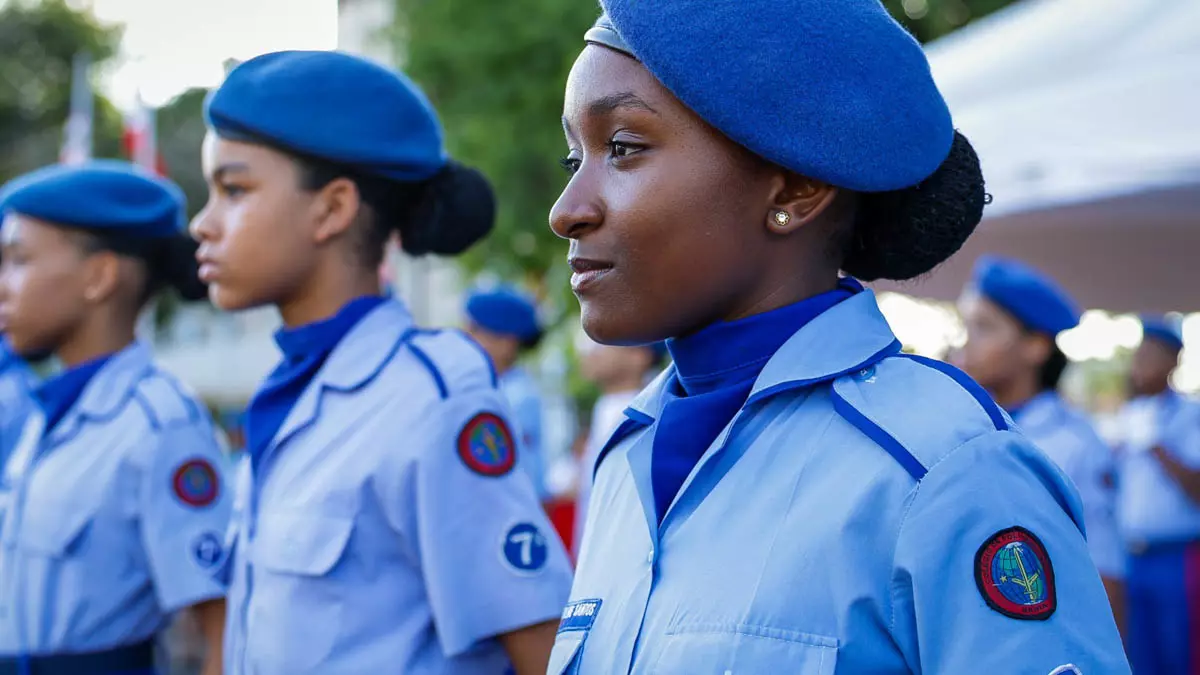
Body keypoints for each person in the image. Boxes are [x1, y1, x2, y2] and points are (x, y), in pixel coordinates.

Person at [546, 3, 1130, 673]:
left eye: (622, 147)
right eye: (575, 156)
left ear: (797, 184)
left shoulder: (943, 469)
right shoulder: (627, 453)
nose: (567, 210)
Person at [190, 50, 573, 675]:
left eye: (234, 189)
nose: (202, 224)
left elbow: (542, 650)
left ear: (333, 209)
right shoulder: (293, 390)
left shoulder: (429, 400)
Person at [0, 161, 228, 675]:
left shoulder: (159, 423)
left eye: (18, 261)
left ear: (99, 276)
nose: (3, 287)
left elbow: (220, 625)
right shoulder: (47, 416)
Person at [955, 255, 1126, 634]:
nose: (966, 342)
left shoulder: (1072, 443)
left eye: (984, 327)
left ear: (1035, 347)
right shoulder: (959, 428)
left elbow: (1104, 568)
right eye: (966, 325)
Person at [1113, 315, 1200, 674]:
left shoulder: (1190, 415)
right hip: (1132, 556)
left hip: (1176, 556)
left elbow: (1196, 487)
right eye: (1139, 353)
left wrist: (1156, 446)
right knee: (1139, 656)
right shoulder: (1128, 413)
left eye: (1151, 354)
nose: (1140, 362)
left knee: (1179, 653)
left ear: (1173, 361)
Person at [572, 336, 664, 557]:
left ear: (639, 356)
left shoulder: (652, 413)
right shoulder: (604, 406)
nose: (590, 353)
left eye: (602, 344)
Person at [464, 286, 549, 500]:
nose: (466, 337)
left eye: (475, 330)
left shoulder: (518, 397)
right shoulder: (492, 387)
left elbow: (529, 482)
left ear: (507, 343)